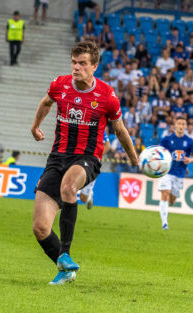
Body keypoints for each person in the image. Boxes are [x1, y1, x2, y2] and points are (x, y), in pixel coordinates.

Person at [30, 41, 139, 285]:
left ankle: (66, 252)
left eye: (82, 64)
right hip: (57, 157)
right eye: (74, 62)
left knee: (69, 187)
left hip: (87, 158)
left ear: (94, 66)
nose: (76, 67)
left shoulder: (107, 96)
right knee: (40, 228)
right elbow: (46, 103)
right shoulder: (60, 85)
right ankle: (65, 268)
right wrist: (35, 126)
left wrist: (133, 157)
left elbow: (120, 130)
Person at [158, 117, 193, 230]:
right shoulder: (166, 139)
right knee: (165, 193)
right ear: (175, 125)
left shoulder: (189, 141)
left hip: (179, 173)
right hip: (166, 171)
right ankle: (164, 223)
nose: (181, 126)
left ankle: (170, 203)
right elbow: (159, 152)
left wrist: (189, 160)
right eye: (179, 123)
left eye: (183, 124)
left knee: (172, 199)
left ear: (186, 127)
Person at [79, 132, 111, 210]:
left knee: (83, 198)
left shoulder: (98, 127)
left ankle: (89, 196)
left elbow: (107, 145)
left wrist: (95, 157)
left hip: (91, 164)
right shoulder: (77, 126)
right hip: (76, 160)